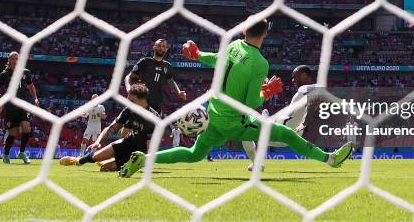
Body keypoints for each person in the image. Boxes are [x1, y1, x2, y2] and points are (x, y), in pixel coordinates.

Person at [119, 19, 352, 178]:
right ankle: (330, 159)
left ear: (243, 32)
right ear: (266, 34)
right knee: (285, 134)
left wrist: (198, 54)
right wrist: (267, 92)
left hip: (215, 114)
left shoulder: (233, 46)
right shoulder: (260, 63)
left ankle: (144, 159)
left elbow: (214, 59)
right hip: (235, 121)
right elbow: (250, 104)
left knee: (194, 154)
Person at [59, 83, 157, 172]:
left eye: (132, 101)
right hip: (128, 141)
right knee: (96, 156)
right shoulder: (128, 110)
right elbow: (111, 128)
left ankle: (111, 162)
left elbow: (150, 147)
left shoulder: (152, 118)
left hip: (139, 150)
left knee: (105, 168)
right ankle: (78, 160)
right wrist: (98, 142)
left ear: (142, 101)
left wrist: (141, 162)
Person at [0, 52, 39, 164]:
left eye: (17, 58)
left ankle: (22, 152)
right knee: (13, 133)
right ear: (9, 60)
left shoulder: (26, 72)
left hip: (22, 105)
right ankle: (6, 154)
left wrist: (35, 98)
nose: (16, 60)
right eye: (13, 58)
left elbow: (31, 86)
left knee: (27, 129)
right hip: (10, 107)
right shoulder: (4, 74)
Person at [124, 38, 186, 113]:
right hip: (141, 101)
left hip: (156, 104)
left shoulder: (167, 66)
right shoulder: (145, 61)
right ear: (154, 47)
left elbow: (170, 81)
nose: (161, 48)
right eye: (159, 46)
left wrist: (179, 92)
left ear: (166, 49)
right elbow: (129, 77)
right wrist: (129, 89)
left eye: (163, 46)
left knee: (154, 124)